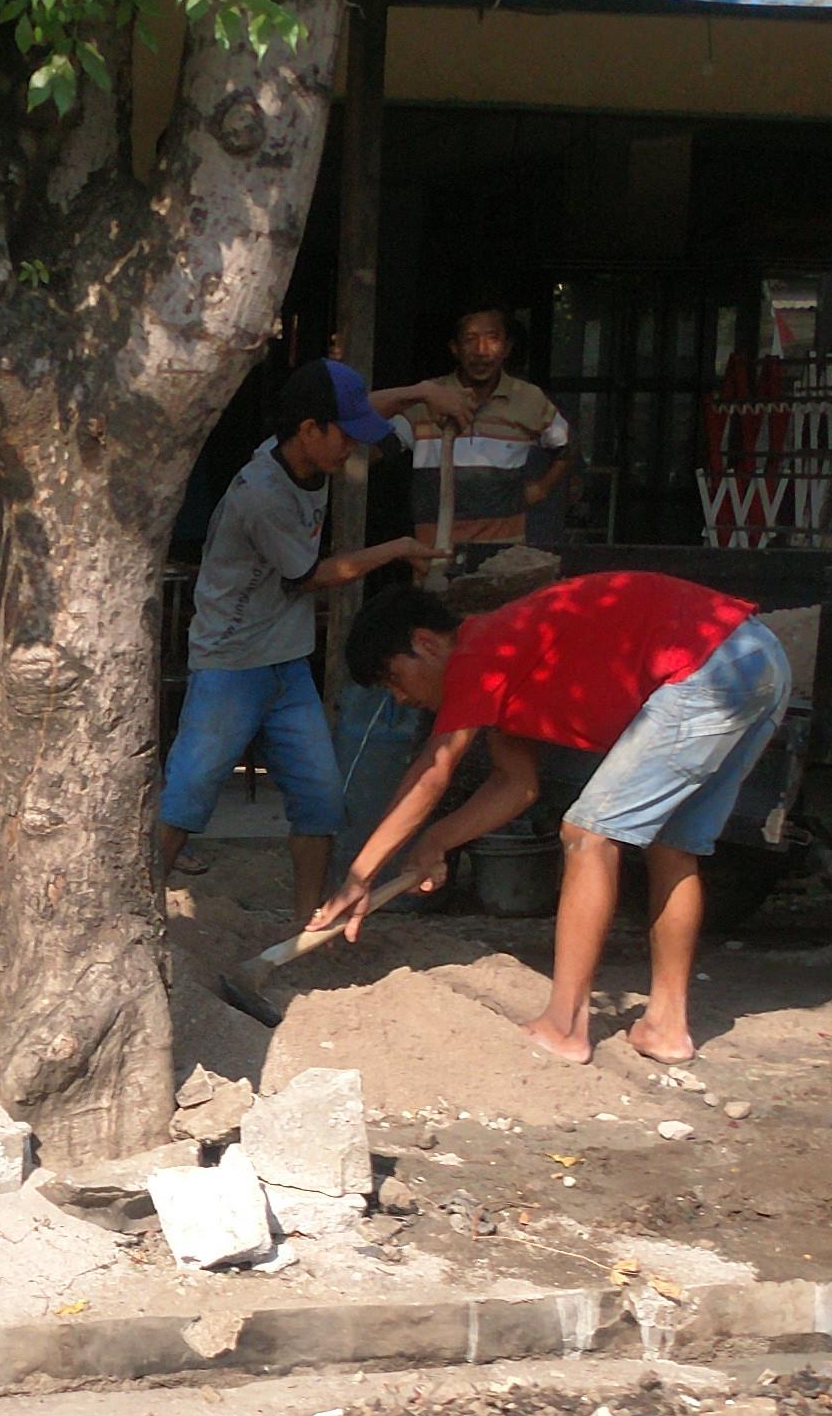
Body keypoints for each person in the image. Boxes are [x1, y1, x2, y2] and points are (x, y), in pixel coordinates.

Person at [312, 572, 791, 1067]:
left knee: (587, 833)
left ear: (426, 643)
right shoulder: (507, 659)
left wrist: (358, 875)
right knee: (673, 845)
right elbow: (515, 785)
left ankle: (565, 1025)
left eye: (394, 679)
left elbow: (434, 771)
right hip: (758, 657)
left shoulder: (480, 654)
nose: (401, 699)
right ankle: (666, 1027)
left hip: (710, 665)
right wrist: (438, 840)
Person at [154, 358, 458, 918]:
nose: (352, 449)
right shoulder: (261, 495)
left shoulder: (303, 440)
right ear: (310, 430)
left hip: (288, 662)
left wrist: (420, 390)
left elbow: (367, 409)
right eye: (344, 436)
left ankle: (308, 923)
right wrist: (397, 549)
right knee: (188, 796)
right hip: (230, 662)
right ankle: (139, 913)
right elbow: (313, 576)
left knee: (320, 801)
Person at [404, 304, 575, 553]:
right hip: (433, 556)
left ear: (507, 349)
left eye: (492, 339)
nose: (481, 351)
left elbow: (567, 447)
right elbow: (378, 445)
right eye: (470, 340)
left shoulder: (528, 399)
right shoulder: (427, 396)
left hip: (503, 559)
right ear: (455, 348)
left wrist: (540, 489)